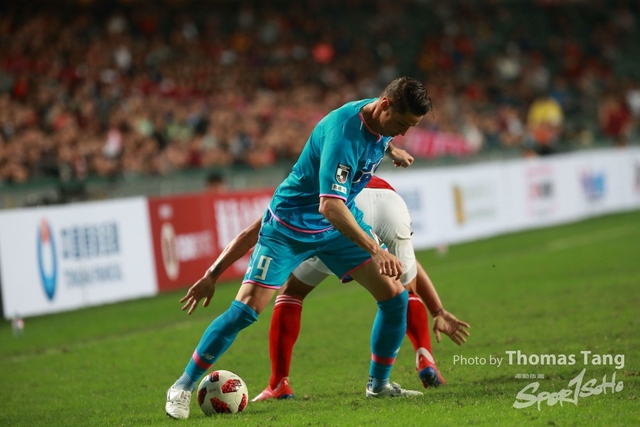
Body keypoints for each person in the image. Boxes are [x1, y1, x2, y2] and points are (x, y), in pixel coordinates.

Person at [165, 77, 432, 419]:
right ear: (385, 106)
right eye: (402, 124)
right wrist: (376, 250)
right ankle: (182, 386)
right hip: (291, 228)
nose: (403, 132)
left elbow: (378, 139)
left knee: (395, 297)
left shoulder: (381, 118)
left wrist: (392, 149)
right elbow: (329, 205)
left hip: (335, 227)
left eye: (409, 127)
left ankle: (378, 385)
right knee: (246, 310)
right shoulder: (343, 134)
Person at [180, 175, 471, 402]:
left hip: (339, 213)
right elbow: (412, 267)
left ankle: (278, 383)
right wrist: (438, 310)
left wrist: (212, 274)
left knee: (291, 292)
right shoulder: (354, 152)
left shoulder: (300, 188)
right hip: (389, 204)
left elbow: (250, 233)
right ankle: (420, 358)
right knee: (402, 289)